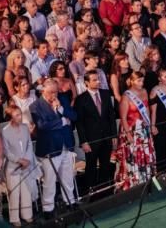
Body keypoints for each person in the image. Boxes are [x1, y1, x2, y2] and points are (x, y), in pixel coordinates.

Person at [30, 79, 78, 218]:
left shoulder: (61, 98)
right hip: (50, 148)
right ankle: (48, 208)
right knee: (50, 180)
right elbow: (42, 125)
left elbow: (74, 116)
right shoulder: (35, 106)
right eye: (51, 92)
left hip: (65, 145)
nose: (54, 95)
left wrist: (62, 110)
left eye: (56, 91)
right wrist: (62, 121)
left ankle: (70, 201)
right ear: (42, 90)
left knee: (68, 176)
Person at [73, 69, 117, 197]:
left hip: (106, 137)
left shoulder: (105, 94)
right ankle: (90, 192)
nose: (98, 82)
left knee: (105, 164)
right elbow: (79, 123)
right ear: (86, 82)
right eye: (94, 80)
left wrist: (113, 135)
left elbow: (111, 116)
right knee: (91, 166)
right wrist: (84, 141)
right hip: (91, 140)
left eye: (99, 79)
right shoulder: (81, 100)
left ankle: (105, 191)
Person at [115, 71, 155, 189]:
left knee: (145, 154)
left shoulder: (144, 91)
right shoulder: (126, 96)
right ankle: (133, 183)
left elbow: (147, 109)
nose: (141, 83)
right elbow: (123, 118)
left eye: (142, 81)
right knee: (133, 157)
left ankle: (147, 180)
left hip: (143, 129)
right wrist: (128, 135)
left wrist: (150, 125)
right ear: (131, 81)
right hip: (131, 130)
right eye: (139, 81)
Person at [2, 105, 36, 226]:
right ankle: (14, 218)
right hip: (13, 167)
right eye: (16, 115)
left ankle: (27, 215)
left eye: (20, 114)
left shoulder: (25, 127)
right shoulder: (5, 131)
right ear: (10, 117)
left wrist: (27, 160)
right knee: (14, 193)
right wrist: (19, 160)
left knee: (27, 190)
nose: (20, 117)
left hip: (27, 164)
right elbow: (6, 151)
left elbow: (29, 145)